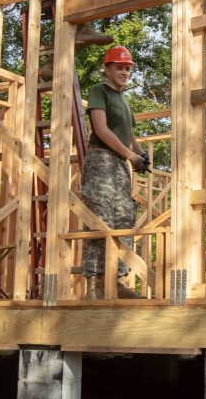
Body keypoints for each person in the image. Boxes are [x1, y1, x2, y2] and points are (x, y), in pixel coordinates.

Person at [81, 45, 148, 299]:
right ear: (107, 69)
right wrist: (130, 155)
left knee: (123, 218)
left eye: (127, 68)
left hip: (119, 166)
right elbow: (101, 130)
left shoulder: (125, 100)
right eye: (119, 67)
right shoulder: (100, 91)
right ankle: (94, 285)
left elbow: (129, 135)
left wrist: (141, 154)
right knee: (100, 219)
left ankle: (116, 282)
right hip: (101, 162)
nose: (124, 72)